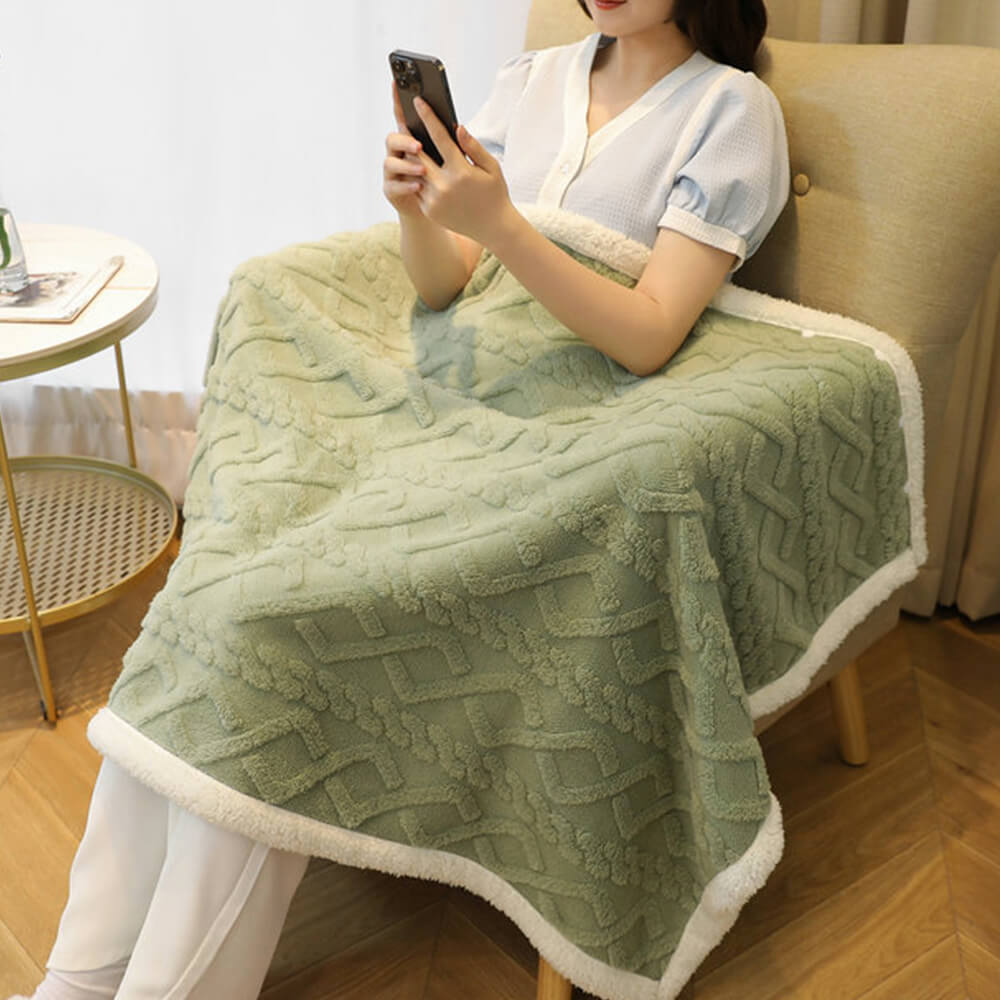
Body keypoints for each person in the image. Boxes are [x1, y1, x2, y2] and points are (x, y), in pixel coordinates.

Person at [10, 2, 788, 997]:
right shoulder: (532, 81)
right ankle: (75, 983)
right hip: (449, 398)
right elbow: (441, 288)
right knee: (211, 608)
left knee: (266, 632)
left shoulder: (731, 111)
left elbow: (649, 333)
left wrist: (500, 221)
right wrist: (420, 209)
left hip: (571, 429)